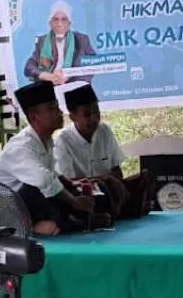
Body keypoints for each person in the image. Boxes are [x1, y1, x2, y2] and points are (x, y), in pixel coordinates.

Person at [0, 81, 110, 236]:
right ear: (34, 117)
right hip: (13, 212)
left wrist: (72, 185)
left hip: (36, 203)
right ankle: (38, 225)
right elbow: (44, 180)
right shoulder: (21, 147)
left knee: (69, 187)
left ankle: (67, 221)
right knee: (38, 187)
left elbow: (53, 174)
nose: (60, 112)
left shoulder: (46, 140)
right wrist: (74, 202)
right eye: (52, 108)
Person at [54, 83, 154, 220]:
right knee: (104, 185)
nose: (94, 118)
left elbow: (117, 171)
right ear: (72, 117)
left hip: (111, 191)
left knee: (145, 176)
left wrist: (116, 185)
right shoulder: (63, 141)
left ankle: (124, 207)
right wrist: (100, 181)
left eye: (97, 112)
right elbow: (68, 182)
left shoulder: (104, 131)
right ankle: (127, 209)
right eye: (87, 115)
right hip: (85, 195)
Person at [23, 0, 96, 86]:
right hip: (50, 85)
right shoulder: (42, 41)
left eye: (64, 19)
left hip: (75, 86)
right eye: (55, 20)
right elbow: (29, 67)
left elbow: (93, 65)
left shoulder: (81, 40)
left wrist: (68, 75)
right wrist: (46, 76)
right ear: (50, 23)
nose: (60, 24)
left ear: (69, 23)